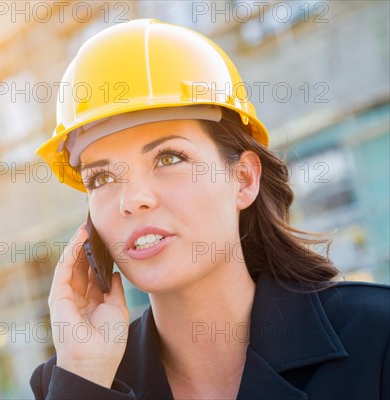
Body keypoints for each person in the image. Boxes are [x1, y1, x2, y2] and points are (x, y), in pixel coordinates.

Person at [30, 19, 390, 399]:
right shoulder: (74, 378)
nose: (132, 199)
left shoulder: (376, 337)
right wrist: (85, 379)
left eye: (169, 157)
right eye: (101, 179)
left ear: (244, 179)